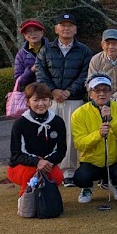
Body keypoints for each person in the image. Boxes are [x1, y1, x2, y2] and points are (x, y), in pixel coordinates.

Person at [35, 12, 92, 187]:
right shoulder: (46, 49)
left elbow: (85, 74)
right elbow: (40, 72)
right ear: (56, 29)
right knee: (48, 135)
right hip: (51, 101)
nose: (66, 28)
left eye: (70, 26)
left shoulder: (84, 51)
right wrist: (53, 91)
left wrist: (68, 91)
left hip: (74, 99)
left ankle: (69, 172)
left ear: (75, 29)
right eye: (63, 25)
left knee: (71, 136)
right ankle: (49, 170)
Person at [72, 74, 117, 203]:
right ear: (90, 94)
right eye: (97, 90)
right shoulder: (79, 114)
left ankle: (116, 184)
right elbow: (79, 144)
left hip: (116, 159)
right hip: (92, 161)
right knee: (80, 178)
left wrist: (112, 120)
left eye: (106, 90)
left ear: (111, 92)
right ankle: (87, 188)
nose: (102, 94)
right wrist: (98, 135)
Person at [8, 82, 67, 199]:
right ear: (28, 102)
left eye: (44, 99)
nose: (41, 104)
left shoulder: (57, 122)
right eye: (36, 100)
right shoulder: (20, 124)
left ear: (50, 101)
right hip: (20, 166)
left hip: (47, 164)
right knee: (32, 173)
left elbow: (61, 150)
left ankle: (46, 198)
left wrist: (47, 162)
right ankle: (25, 200)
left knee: (58, 176)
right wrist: (37, 162)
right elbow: (16, 154)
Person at [87, 29, 117, 94]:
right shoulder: (95, 60)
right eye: (107, 43)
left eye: (114, 43)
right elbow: (91, 84)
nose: (111, 47)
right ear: (102, 45)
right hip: (102, 96)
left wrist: (115, 97)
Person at [14, 19, 47, 90]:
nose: (33, 34)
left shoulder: (53, 49)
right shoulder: (21, 55)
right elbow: (19, 81)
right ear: (24, 35)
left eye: (36, 30)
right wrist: (32, 70)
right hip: (31, 94)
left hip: (53, 93)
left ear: (42, 32)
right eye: (28, 31)